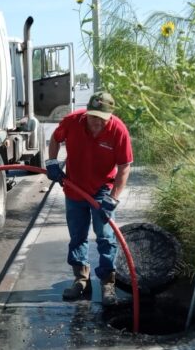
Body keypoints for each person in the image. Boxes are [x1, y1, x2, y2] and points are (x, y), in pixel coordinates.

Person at [45, 92, 133, 305]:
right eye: (93, 116)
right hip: (74, 188)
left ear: (110, 116)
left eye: (101, 118)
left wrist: (113, 198)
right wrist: (52, 162)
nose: (96, 122)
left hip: (102, 190)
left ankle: (107, 283)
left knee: (105, 237)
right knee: (77, 236)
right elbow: (55, 139)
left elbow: (124, 167)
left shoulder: (118, 131)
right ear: (87, 112)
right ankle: (81, 279)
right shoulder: (73, 121)